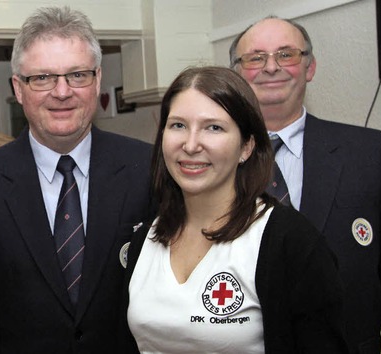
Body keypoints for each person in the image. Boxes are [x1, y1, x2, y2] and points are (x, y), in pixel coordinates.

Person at [0, 6, 153, 353]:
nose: (62, 92)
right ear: (18, 87)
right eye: (42, 78)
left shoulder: (147, 167)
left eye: (77, 75)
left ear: (97, 80)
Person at [123, 66, 347, 353]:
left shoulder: (289, 242)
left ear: (246, 147)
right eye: (178, 125)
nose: (191, 145)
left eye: (213, 128)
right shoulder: (147, 238)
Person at [230, 17, 381, 353]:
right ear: (237, 74)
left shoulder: (371, 153)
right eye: (255, 58)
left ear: (310, 67)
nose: (271, 67)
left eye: (286, 54)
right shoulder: (208, 160)